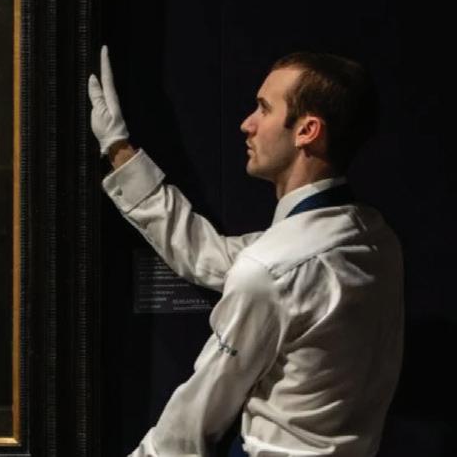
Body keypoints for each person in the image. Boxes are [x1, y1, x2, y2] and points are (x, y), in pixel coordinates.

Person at [88, 45, 404, 457]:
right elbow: (207, 254)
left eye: (263, 109)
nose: (247, 124)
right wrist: (119, 150)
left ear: (307, 131)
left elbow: (190, 424)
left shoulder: (273, 267)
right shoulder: (378, 238)